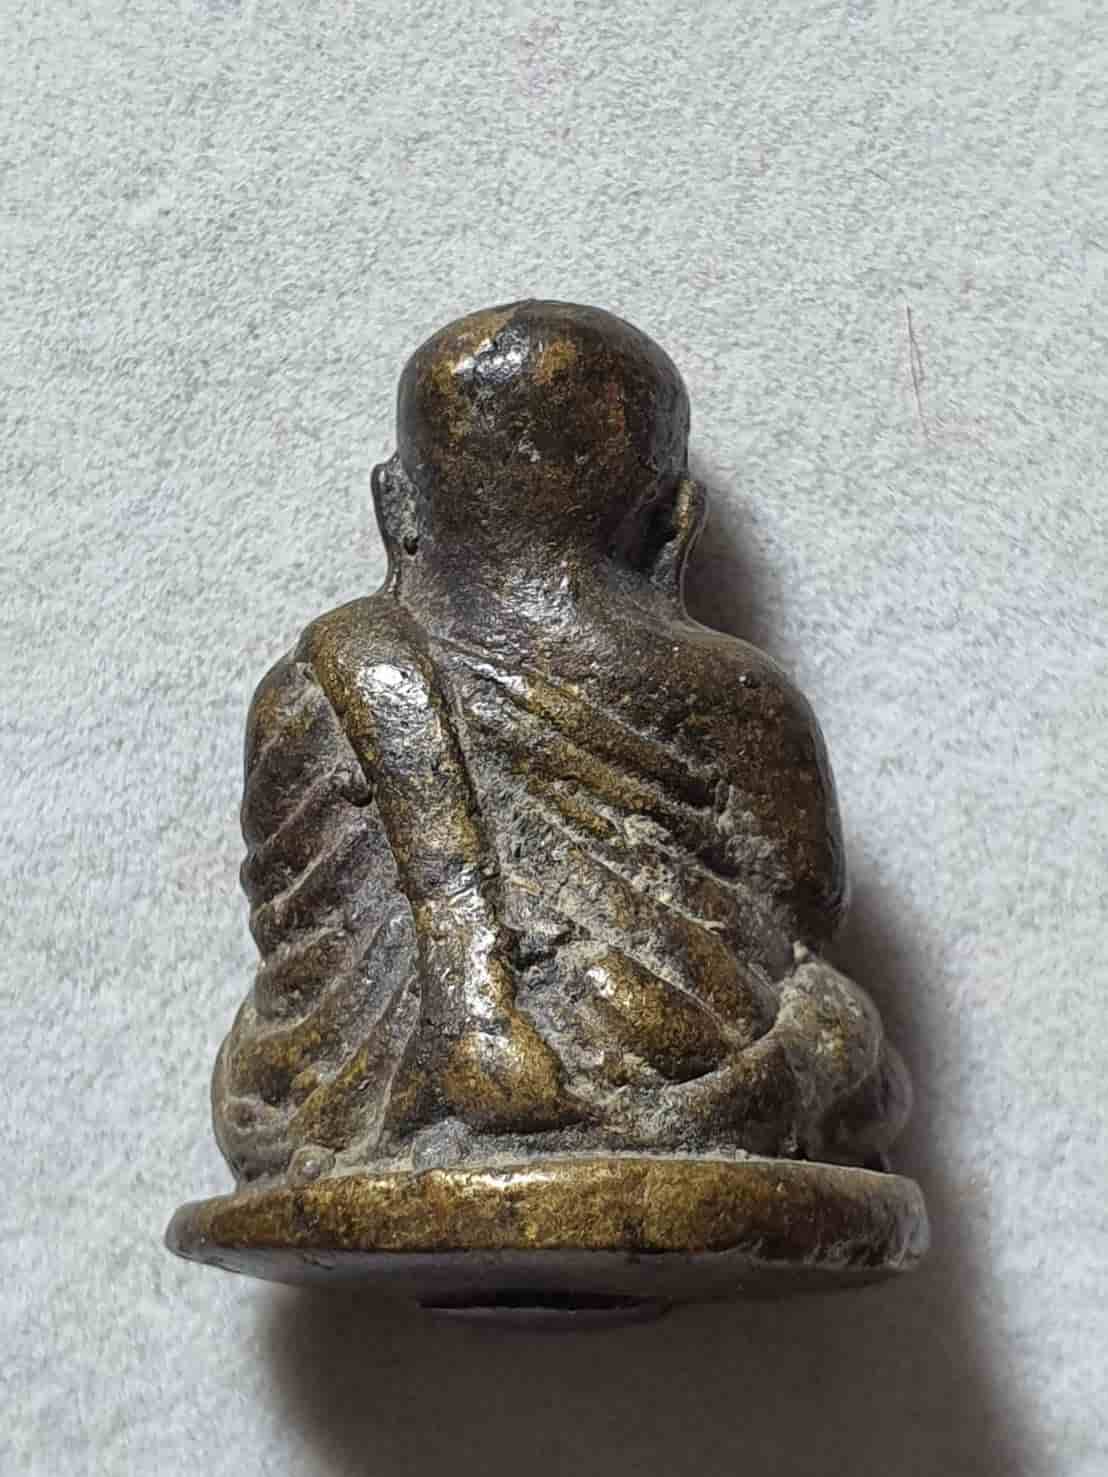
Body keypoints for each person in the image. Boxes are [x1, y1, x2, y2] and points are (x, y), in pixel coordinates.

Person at [213, 301, 908, 1184]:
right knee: (841, 1030)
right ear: (676, 525)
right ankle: (662, 1113)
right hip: (687, 1113)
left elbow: (289, 940)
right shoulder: (746, 700)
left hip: (326, 1124)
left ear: (393, 509)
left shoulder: (302, 690)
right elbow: (810, 910)